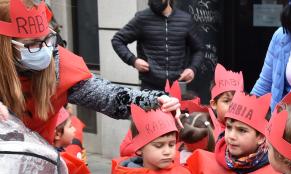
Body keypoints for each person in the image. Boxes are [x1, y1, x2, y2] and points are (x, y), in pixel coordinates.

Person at [0, 0, 180, 145]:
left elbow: (108, 96)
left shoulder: (58, 64)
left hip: (36, 165)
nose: (43, 49)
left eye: (47, 39)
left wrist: (154, 101)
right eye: (31, 44)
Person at [111, 0, 204, 91]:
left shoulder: (185, 20)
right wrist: (133, 60)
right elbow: (117, 40)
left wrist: (192, 69)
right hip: (150, 87)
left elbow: (198, 49)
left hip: (177, 86)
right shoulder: (142, 18)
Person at [209, 64, 244, 137]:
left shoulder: (246, 132)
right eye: (226, 101)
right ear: (214, 104)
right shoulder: (208, 131)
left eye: (237, 100)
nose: (233, 106)